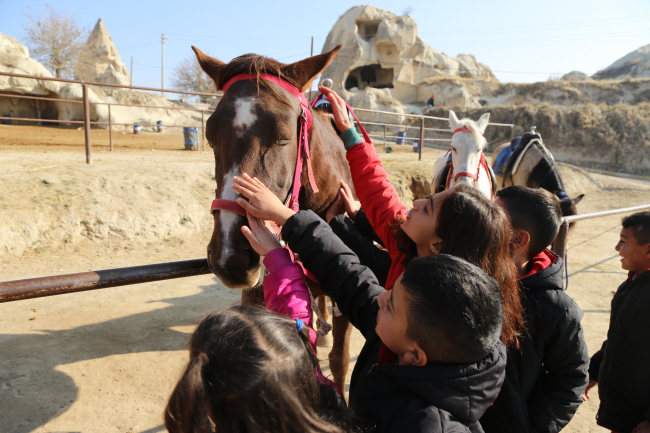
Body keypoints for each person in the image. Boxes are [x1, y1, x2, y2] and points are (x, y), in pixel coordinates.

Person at [230, 173, 507, 432]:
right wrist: (288, 220)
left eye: (391, 303)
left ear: (415, 356)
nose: (381, 296)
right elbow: (353, 279)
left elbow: (318, 404)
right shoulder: (427, 329)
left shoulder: (417, 424)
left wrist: (286, 268)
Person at [319, 86, 524, 363]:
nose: (414, 203)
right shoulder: (412, 239)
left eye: (426, 207)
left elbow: (357, 274)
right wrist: (352, 135)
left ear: (437, 244)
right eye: (426, 198)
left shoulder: (430, 311)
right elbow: (381, 193)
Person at [164, 214, 354, 433]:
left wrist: (277, 259)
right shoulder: (325, 408)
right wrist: (278, 258)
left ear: (211, 410)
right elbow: (296, 333)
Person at [479, 185, 590, 433]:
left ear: (518, 239)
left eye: (492, 216)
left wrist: (531, 426)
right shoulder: (469, 272)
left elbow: (570, 378)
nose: (480, 220)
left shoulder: (557, 309)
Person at [583, 211, 650, 433]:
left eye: (623, 241)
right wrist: (593, 372)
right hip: (624, 411)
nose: (616, 248)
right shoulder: (630, 285)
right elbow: (619, 338)